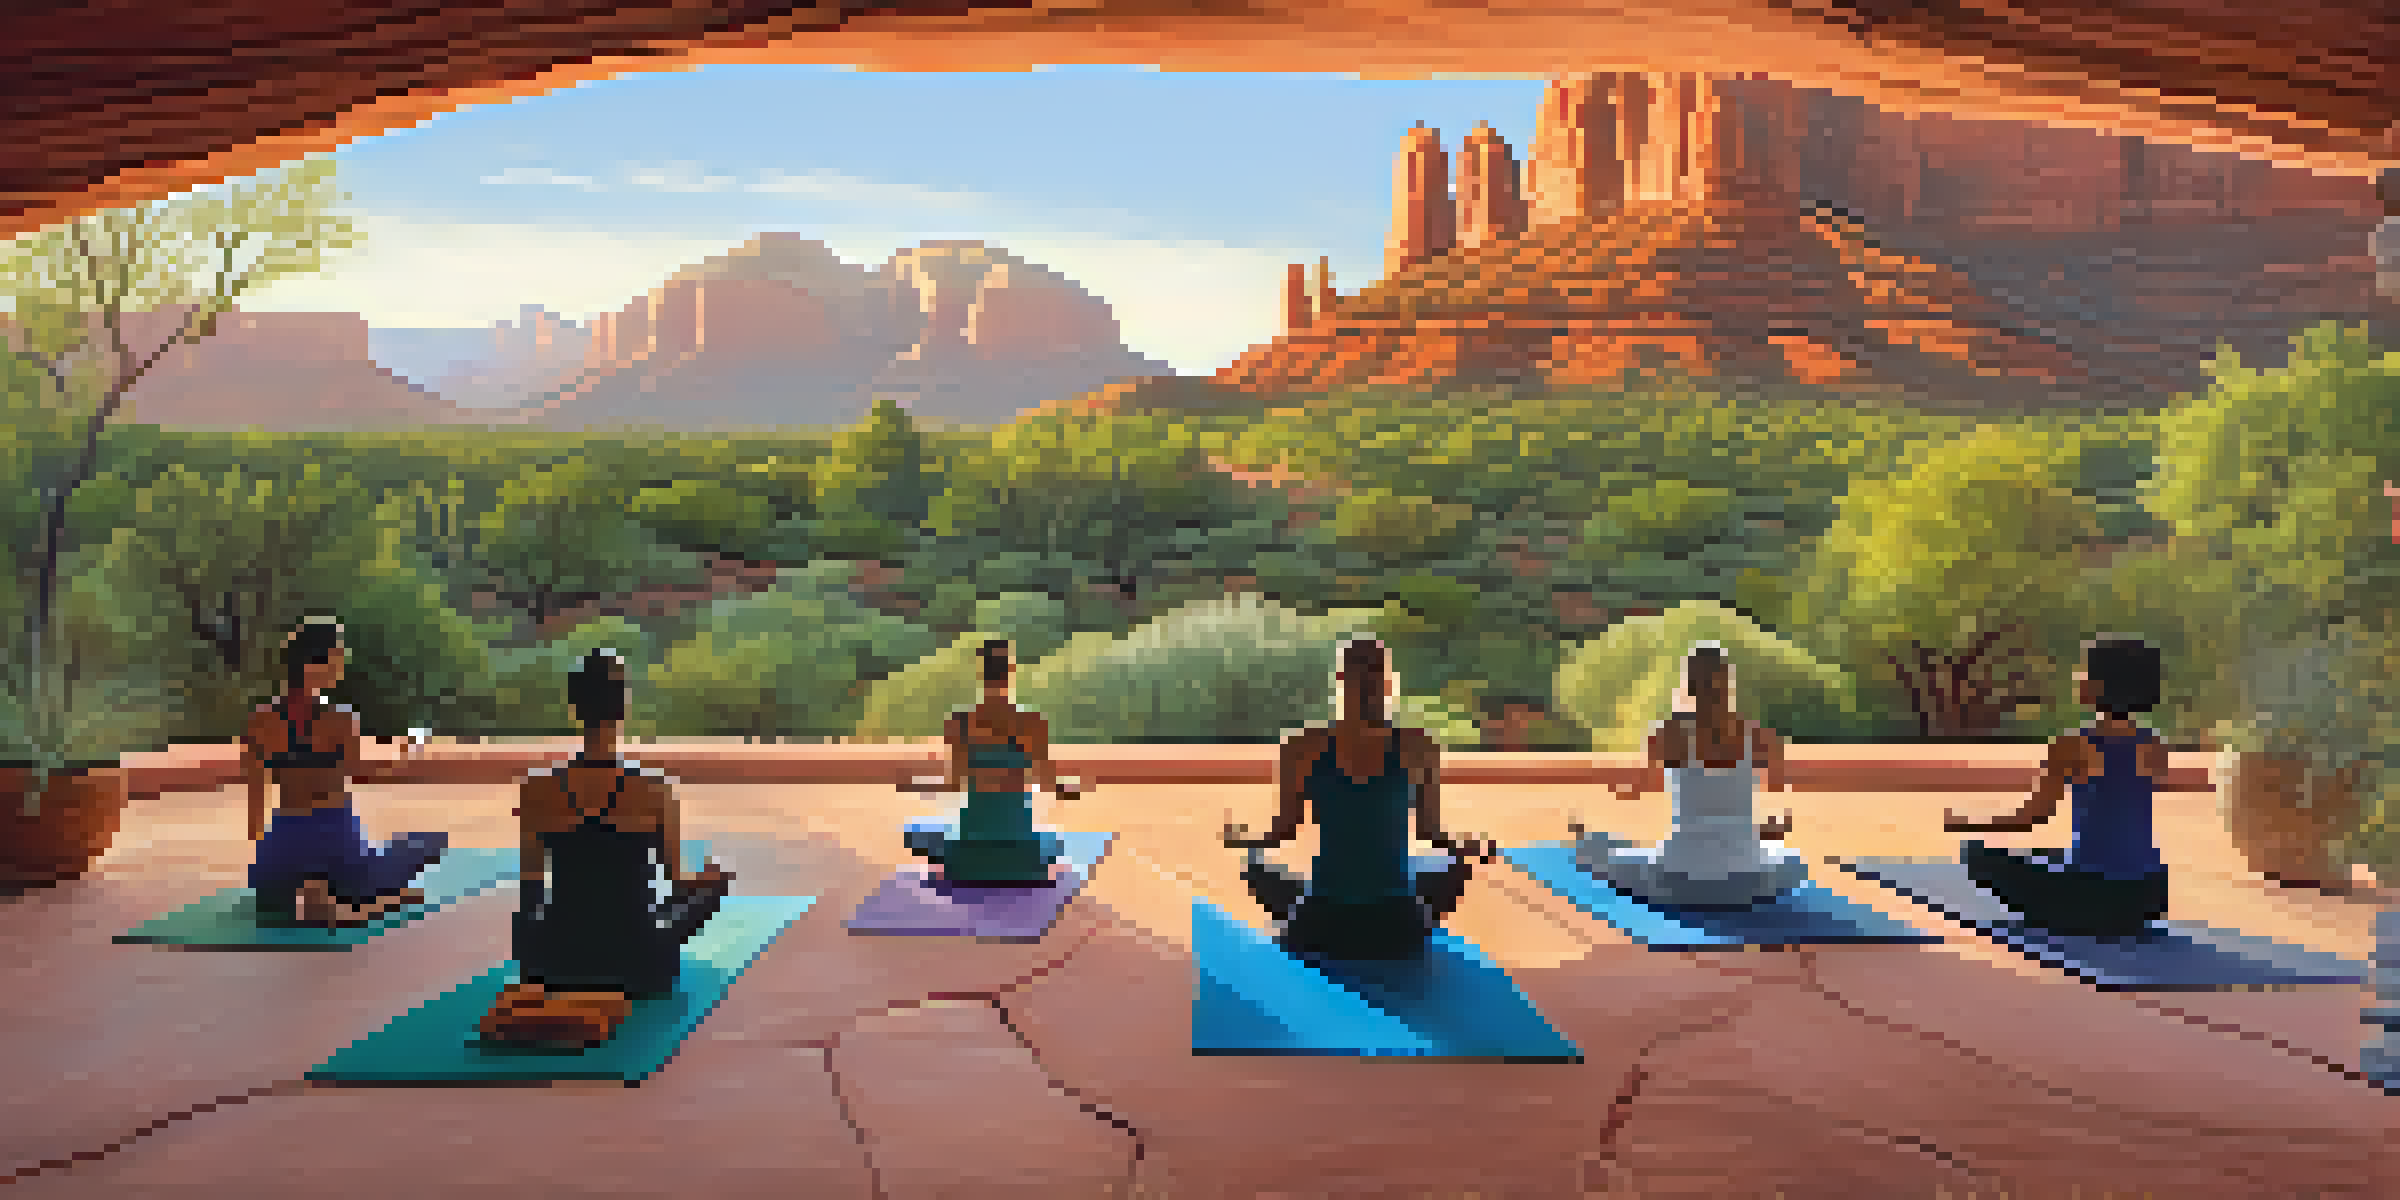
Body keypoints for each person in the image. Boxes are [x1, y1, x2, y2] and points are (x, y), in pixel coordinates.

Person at [479, 648, 734, 1047]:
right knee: (709, 887)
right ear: (624, 707)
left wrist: (532, 959)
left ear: (574, 708)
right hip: (640, 964)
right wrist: (711, 876)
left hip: (554, 964)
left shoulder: (536, 789)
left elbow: (531, 890)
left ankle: (558, 995)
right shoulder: (654, 789)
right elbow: (679, 885)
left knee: (561, 911)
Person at [1222, 637, 1497, 960]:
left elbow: (1284, 830)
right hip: (1398, 928)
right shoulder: (1419, 747)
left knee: (1256, 866)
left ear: (1340, 680)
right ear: (1388, 682)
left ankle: (1308, 906)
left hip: (1320, 926)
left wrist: (1246, 840)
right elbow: (1431, 832)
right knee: (1448, 868)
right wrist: (1468, 847)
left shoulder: (1300, 747)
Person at [1944, 636, 2170, 938]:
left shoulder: (2071, 744)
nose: (2077, 678)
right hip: (2149, 896)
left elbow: (2033, 817)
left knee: (1976, 854)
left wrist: (1967, 824)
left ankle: (2070, 905)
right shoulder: (2154, 744)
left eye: (2083, 672)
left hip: (2092, 898)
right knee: (2050, 853)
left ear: (2099, 685)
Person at [243, 618, 448, 926]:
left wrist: (265, 853)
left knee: (274, 895)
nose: (342, 663)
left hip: (281, 847)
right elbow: (363, 772)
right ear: (320, 662)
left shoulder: (261, 720)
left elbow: (256, 797)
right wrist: (408, 751)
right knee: (431, 842)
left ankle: (306, 885)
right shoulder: (340, 718)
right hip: (337, 844)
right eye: (338, 655)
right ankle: (352, 898)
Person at [1570, 643, 1806, 909]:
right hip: (1747, 883)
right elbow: (1775, 789)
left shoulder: (1666, 733)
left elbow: (1641, 787)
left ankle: (1588, 842)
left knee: (1611, 859)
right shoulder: (1763, 738)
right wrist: (1764, 829)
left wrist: (1623, 788)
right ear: (1729, 684)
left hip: (1678, 880)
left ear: (1689, 685)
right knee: (1794, 861)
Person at [893, 639, 1087, 885]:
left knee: (917, 832)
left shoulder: (960, 722)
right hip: (1022, 852)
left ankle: (970, 866)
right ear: (1011, 671)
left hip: (969, 853)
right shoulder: (1033, 723)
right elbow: (1047, 783)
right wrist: (1066, 789)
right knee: (1056, 842)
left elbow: (953, 785)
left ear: (981, 673)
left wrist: (917, 785)